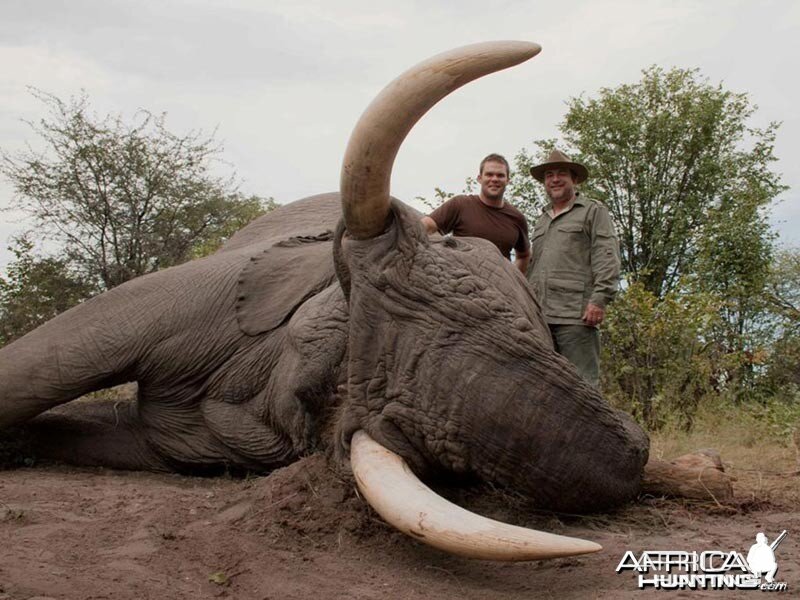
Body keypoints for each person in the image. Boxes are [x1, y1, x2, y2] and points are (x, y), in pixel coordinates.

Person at [527, 149, 620, 387]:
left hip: (576, 317)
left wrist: (599, 299)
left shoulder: (593, 211)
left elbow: (606, 254)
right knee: (546, 388)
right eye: (549, 175)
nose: (555, 179)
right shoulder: (542, 220)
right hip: (541, 318)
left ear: (574, 179)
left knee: (583, 389)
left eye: (561, 174)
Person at [421, 154, 531, 275]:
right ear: (479, 178)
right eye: (489, 174)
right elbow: (425, 227)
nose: (494, 179)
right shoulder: (460, 204)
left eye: (500, 175)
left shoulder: (517, 218)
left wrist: (515, 280)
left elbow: (523, 256)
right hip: (460, 286)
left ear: (507, 180)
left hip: (498, 290)